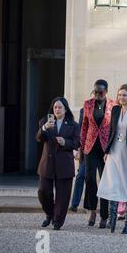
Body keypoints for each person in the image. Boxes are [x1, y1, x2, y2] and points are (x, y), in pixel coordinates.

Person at [97, 84, 127, 234]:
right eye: (119, 95)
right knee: (113, 184)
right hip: (115, 151)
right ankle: (112, 219)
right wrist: (107, 150)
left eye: (124, 95)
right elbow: (111, 131)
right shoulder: (115, 110)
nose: (121, 98)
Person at [36, 97, 80, 230]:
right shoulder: (45, 121)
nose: (57, 109)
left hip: (64, 164)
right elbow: (39, 138)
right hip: (47, 163)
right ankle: (50, 214)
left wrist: (65, 142)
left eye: (60, 107)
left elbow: (77, 143)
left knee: (63, 195)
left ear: (65, 109)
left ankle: (58, 221)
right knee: (43, 192)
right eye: (55, 107)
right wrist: (43, 128)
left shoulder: (74, 125)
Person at [81, 80, 116, 228]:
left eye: (100, 92)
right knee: (89, 178)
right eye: (95, 92)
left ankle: (104, 215)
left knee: (105, 181)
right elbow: (84, 126)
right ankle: (92, 210)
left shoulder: (114, 105)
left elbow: (115, 127)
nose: (97, 95)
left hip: (106, 148)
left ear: (106, 91)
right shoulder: (88, 103)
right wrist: (81, 147)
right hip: (90, 146)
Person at [69, 90, 95, 212]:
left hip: (101, 151)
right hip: (86, 150)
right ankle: (74, 203)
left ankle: (93, 206)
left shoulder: (108, 110)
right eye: (92, 97)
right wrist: (78, 150)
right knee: (81, 175)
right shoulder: (83, 110)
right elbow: (81, 131)